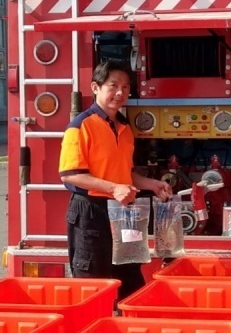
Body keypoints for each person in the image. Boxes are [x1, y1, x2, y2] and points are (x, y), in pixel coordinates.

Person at [59, 60, 174, 299]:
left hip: (121, 213)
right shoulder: (80, 126)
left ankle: (126, 330)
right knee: (94, 286)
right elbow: (71, 175)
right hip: (91, 214)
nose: (120, 93)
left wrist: (151, 184)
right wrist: (114, 188)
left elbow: (123, 172)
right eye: (113, 86)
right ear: (95, 87)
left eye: (125, 87)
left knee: (129, 280)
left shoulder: (123, 127)